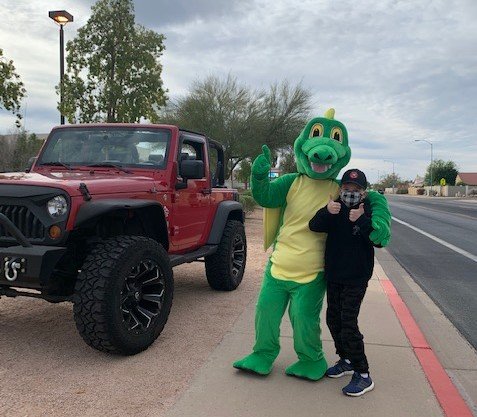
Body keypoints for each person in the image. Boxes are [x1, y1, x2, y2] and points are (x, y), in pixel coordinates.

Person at [309, 168, 377, 396]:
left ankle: (363, 374)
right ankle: (345, 359)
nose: (350, 192)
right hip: (335, 275)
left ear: (364, 193)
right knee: (333, 320)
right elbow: (314, 225)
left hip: (357, 277)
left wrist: (364, 220)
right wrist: (326, 211)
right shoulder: (334, 206)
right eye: (347, 188)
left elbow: (378, 240)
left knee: (349, 324)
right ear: (341, 189)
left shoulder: (368, 210)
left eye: (356, 189)